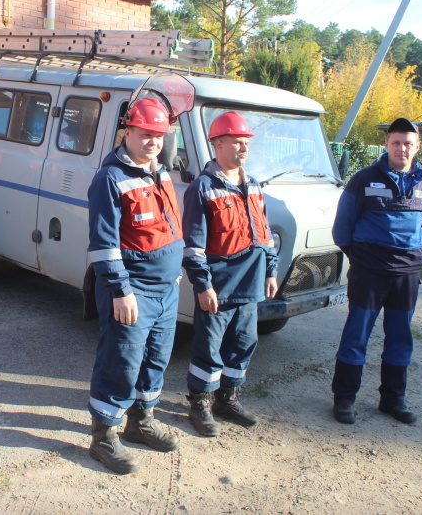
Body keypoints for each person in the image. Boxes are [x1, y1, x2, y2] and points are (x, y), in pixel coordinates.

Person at [86, 97, 184, 474]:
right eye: (145, 134)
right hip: (134, 291)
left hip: (165, 290)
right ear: (127, 131)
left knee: (155, 359)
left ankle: (140, 423)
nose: (153, 142)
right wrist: (120, 291)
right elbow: (103, 244)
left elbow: (168, 226)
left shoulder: (159, 173)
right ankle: (104, 438)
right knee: (121, 362)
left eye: (158, 135)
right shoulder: (110, 178)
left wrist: (174, 266)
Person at [330, 117, 422, 425]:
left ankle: (392, 400)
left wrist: (412, 256)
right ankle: (344, 400)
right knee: (356, 335)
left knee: (400, 337)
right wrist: (362, 258)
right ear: (387, 144)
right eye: (396, 143)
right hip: (369, 273)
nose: (401, 149)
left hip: (407, 275)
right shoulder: (364, 179)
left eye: (408, 144)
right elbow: (343, 227)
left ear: (416, 147)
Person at [182, 111, 279, 437]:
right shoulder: (202, 188)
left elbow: (264, 235)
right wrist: (203, 284)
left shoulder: (254, 186)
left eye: (246, 142)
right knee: (208, 348)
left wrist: (270, 271)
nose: (243, 148)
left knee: (244, 342)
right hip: (219, 287)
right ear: (217, 144)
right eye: (236, 142)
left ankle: (227, 398)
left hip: (251, 284)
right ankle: (200, 405)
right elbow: (193, 246)